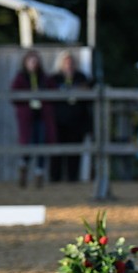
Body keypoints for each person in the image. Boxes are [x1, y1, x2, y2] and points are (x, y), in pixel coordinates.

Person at [10, 49, 57, 188]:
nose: (33, 64)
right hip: (27, 118)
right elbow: (14, 96)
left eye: (35, 61)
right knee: (28, 143)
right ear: (25, 63)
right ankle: (23, 167)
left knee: (41, 142)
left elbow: (53, 92)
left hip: (42, 116)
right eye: (31, 61)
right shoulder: (20, 78)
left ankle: (39, 173)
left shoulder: (44, 77)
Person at [50, 51, 93, 182]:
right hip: (58, 121)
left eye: (71, 62)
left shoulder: (81, 78)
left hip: (77, 122)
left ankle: (72, 180)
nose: (69, 65)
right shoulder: (54, 79)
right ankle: (55, 180)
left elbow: (89, 96)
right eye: (66, 62)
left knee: (74, 154)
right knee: (56, 153)